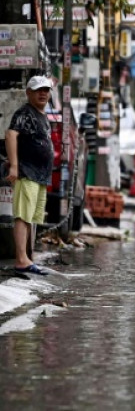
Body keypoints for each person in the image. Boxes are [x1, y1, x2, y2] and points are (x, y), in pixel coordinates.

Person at [5, 75, 55, 276]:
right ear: (28, 93)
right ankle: (21, 260)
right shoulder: (25, 113)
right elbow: (10, 135)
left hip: (39, 175)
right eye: (38, 90)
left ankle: (26, 258)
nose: (43, 93)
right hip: (28, 172)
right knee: (23, 216)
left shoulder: (40, 115)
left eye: (46, 90)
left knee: (31, 218)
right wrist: (15, 166)